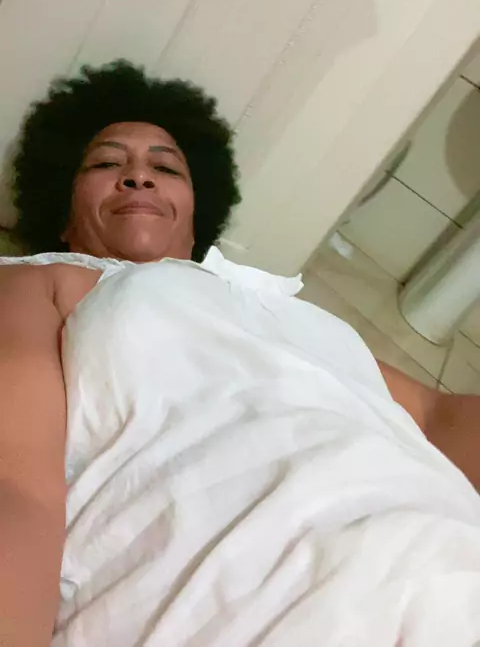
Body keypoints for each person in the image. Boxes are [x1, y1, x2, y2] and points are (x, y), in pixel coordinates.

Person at [0, 60, 479, 647]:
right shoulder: (40, 283)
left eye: (164, 167)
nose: (138, 177)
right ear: (63, 203)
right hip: (265, 610)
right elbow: (17, 487)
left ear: (196, 209)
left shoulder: (280, 308)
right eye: (106, 164)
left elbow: (433, 415)